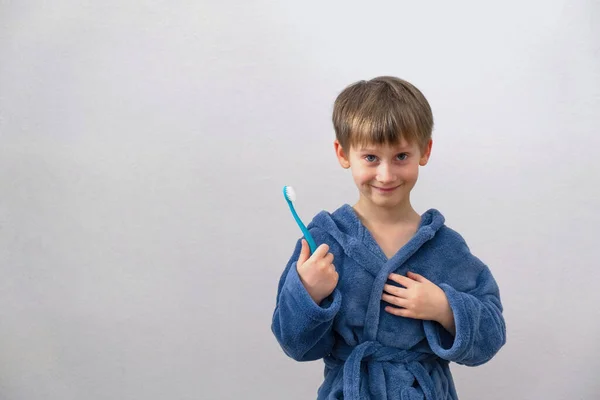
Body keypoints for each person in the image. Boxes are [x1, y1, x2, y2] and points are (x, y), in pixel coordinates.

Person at [271, 76, 506, 399]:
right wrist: (309, 295)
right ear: (343, 154)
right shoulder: (324, 241)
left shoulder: (445, 247)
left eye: (401, 157)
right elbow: (295, 345)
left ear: (425, 151)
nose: (386, 174)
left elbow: (490, 338)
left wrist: (445, 308)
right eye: (370, 158)